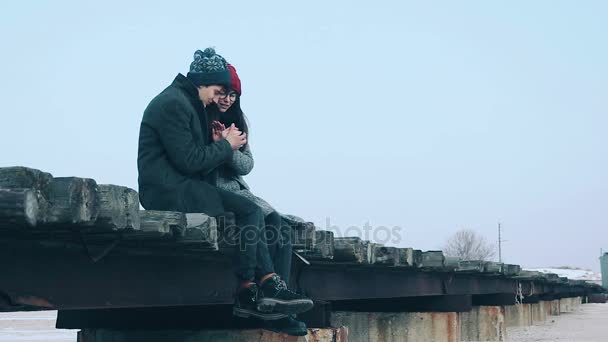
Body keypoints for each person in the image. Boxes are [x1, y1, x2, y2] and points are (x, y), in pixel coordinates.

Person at [137, 48, 313, 330]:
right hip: (168, 190)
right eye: (219, 89)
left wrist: (224, 147)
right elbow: (191, 161)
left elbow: (220, 163)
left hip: (184, 184)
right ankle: (256, 290)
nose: (221, 97)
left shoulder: (187, 102)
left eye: (227, 92)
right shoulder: (174, 104)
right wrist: (225, 145)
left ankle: (265, 294)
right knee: (249, 212)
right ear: (202, 82)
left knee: (266, 219)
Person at [206, 64, 307, 335]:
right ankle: (271, 301)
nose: (227, 99)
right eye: (224, 93)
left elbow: (246, 165)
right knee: (257, 219)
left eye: (233, 95)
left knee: (279, 225)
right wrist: (222, 144)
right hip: (214, 191)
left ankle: (280, 303)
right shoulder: (202, 118)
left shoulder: (237, 122)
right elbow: (202, 165)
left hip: (239, 188)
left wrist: (229, 148)